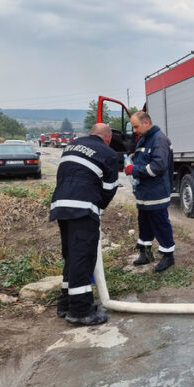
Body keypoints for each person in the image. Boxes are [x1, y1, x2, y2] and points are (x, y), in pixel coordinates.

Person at [49, 123, 119, 325]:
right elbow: (109, 188)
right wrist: (99, 208)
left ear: (90, 134)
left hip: (61, 206)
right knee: (83, 257)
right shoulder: (108, 152)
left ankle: (65, 304)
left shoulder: (71, 145)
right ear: (107, 138)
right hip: (82, 207)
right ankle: (80, 311)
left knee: (71, 254)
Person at [124, 111, 176, 272]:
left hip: (156, 193)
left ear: (146, 123)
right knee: (144, 223)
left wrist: (135, 169)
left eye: (136, 126)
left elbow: (157, 167)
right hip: (144, 193)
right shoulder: (145, 139)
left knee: (160, 224)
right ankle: (145, 253)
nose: (134, 130)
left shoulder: (159, 139)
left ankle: (168, 255)